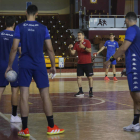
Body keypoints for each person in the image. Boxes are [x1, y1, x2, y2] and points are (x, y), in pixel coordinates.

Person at [5, 5, 64, 137]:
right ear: (37, 13)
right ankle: (51, 126)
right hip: (40, 65)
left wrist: (9, 66)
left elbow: (14, 48)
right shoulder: (43, 28)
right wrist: (53, 65)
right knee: (45, 96)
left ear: (26, 12)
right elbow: (50, 49)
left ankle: (25, 129)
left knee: (24, 97)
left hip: (24, 64)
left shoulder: (19, 27)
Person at [104, 12, 140, 132]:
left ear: (127, 20)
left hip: (135, 66)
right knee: (134, 95)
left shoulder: (131, 29)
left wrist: (110, 60)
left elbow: (124, 48)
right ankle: (135, 123)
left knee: (137, 95)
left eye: (125, 21)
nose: (125, 23)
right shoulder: (137, 30)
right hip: (133, 65)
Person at [0, 16, 21, 123]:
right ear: (14, 25)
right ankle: (13, 116)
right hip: (13, 65)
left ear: (5, 23)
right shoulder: (16, 35)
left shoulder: (0, 34)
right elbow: (20, 51)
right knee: (14, 90)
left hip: (1, 64)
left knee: (0, 89)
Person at [68, 31, 93, 97]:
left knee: (89, 77)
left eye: (80, 35)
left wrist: (83, 47)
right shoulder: (76, 44)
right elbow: (73, 53)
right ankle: (80, 91)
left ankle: (91, 91)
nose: (78, 36)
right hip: (80, 63)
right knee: (79, 77)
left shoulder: (87, 42)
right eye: (78, 35)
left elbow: (90, 50)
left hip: (88, 63)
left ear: (83, 36)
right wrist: (70, 48)